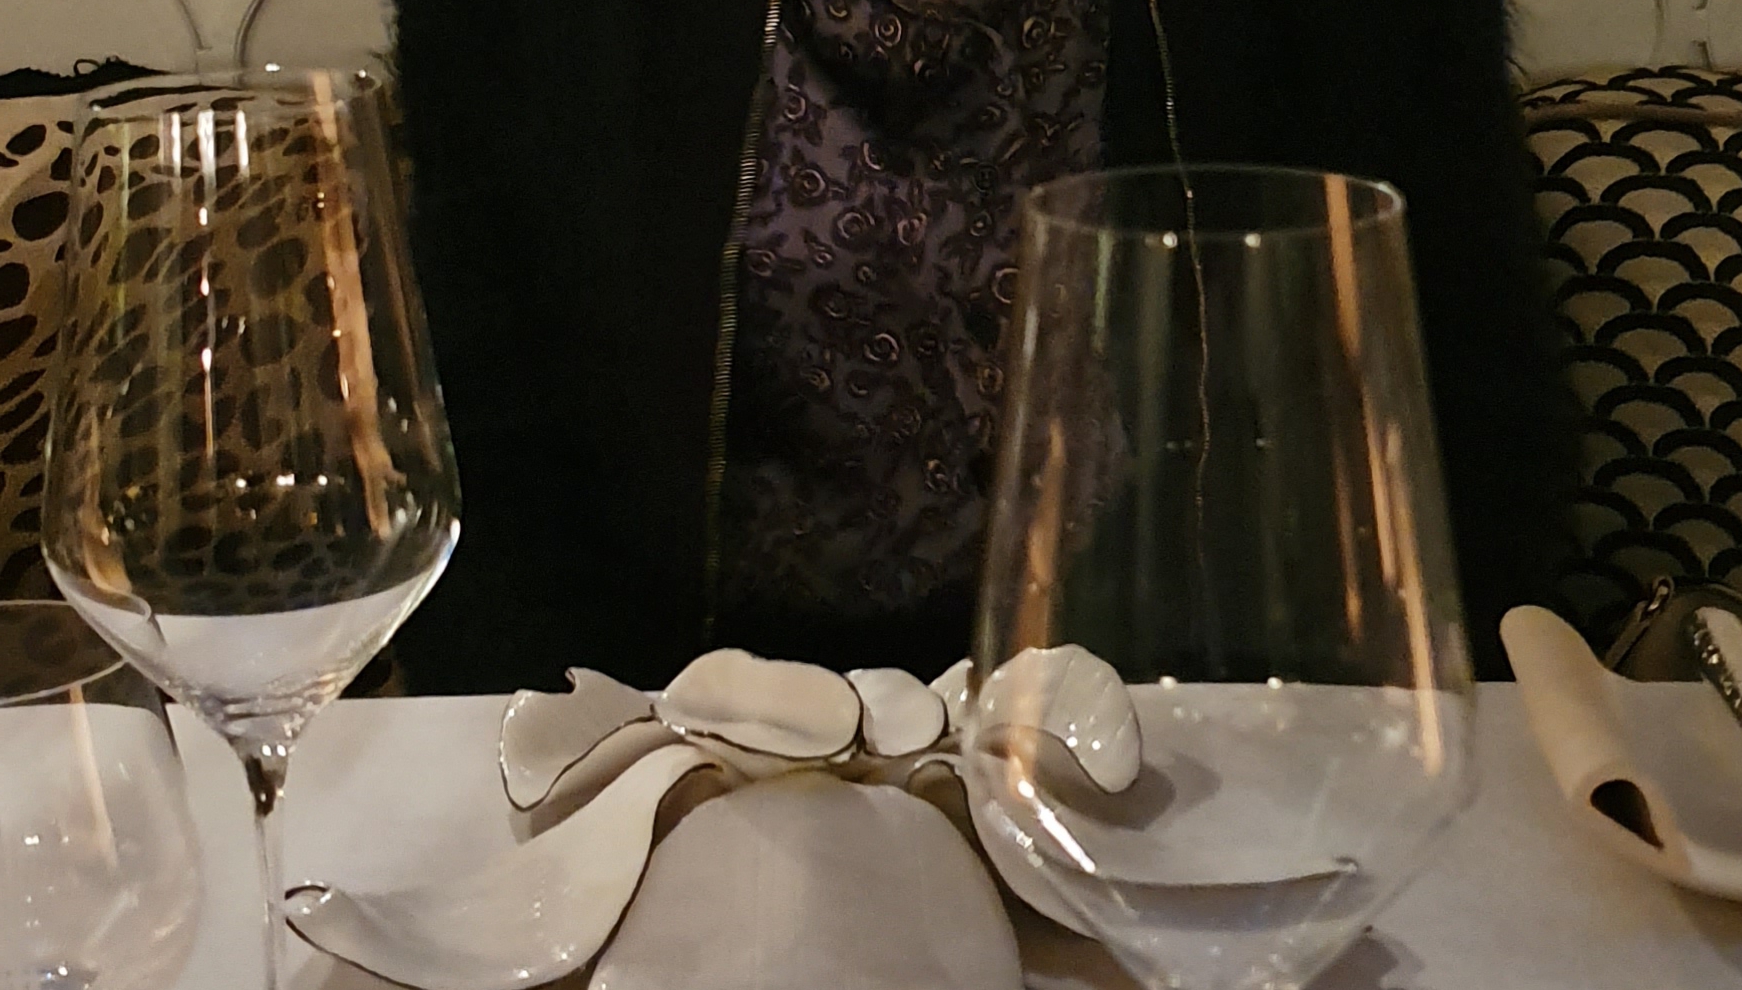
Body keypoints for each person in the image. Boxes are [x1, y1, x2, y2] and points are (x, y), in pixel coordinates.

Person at [391, 0, 1571, 694]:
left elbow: (1464, 422)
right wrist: (601, 792)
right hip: (677, 745)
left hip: (1196, 735)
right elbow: (474, 444)